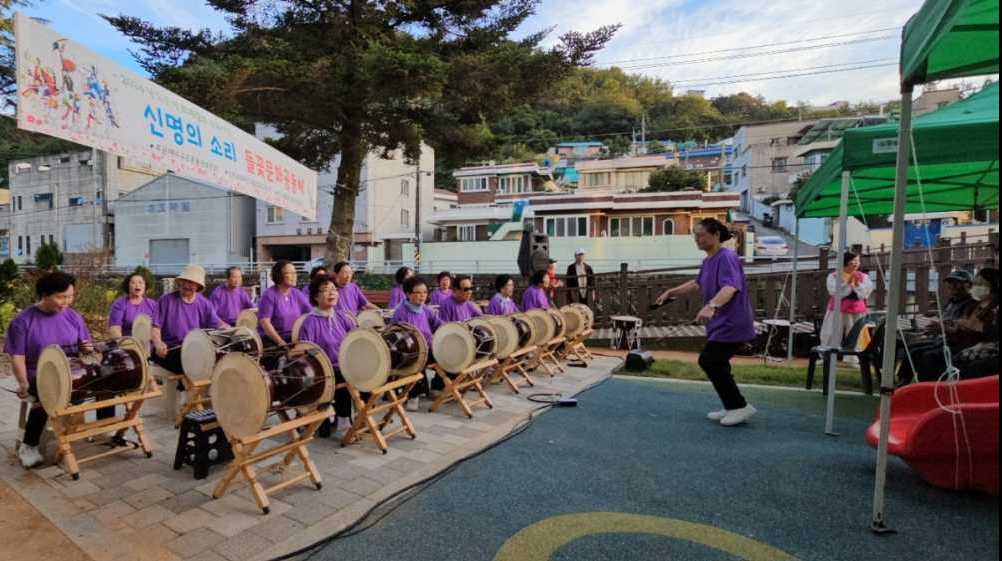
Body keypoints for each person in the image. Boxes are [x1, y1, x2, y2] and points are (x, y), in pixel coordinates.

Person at [655, 218, 757, 426]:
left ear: (716, 235)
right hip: (721, 323)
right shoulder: (709, 261)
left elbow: (730, 287)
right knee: (717, 362)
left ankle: (739, 406)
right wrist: (671, 291)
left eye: (701, 234)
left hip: (733, 322)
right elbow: (697, 283)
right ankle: (732, 405)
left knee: (709, 360)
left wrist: (711, 306)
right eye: (695, 235)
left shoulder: (727, 257)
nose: (697, 239)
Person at [5, 272, 94, 467]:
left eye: (70, 296)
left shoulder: (73, 316)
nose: (66, 302)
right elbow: (17, 356)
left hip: (70, 370)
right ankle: (29, 445)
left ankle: (101, 427)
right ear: (45, 295)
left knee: (102, 379)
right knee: (49, 393)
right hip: (37, 372)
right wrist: (23, 383)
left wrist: (87, 348)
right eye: (61, 297)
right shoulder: (23, 321)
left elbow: (84, 344)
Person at [899, 268, 998, 383]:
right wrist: (947, 326)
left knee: (929, 357)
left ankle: (931, 388)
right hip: (958, 340)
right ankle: (904, 382)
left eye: (980, 284)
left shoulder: (986, 306)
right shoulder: (976, 305)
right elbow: (964, 325)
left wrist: (949, 328)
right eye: (950, 282)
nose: (952, 286)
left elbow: (980, 330)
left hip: (973, 344)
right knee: (915, 351)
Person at [297, 275, 358, 438]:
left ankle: (349, 419)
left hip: (342, 366)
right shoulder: (309, 322)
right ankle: (342, 422)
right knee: (343, 377)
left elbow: (354, 341)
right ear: (316, 297)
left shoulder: (342, 317)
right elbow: (306, 353)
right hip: (322, 371)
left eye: (333, 289)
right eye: (325, 290)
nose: (332, 293)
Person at [151, 265, 226, 375]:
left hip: (194, 349)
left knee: (220, 359)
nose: (186, 285)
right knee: (194, 363)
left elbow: (218, 324)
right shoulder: (166, 300)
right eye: (184, 281)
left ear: (198, 286)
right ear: (180, 282)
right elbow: (155, 327)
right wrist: (158, 343)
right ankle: (185, 388)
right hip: (169, 350)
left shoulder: (204, 304)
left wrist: (233, 330)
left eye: (190, 283)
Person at [390, 276, 444, 411]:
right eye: (418, 293)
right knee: (416, 362)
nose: (422, 296)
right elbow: (395, 335)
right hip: (411, 352)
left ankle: (437, 385)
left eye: (425, 292)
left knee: (447, 355)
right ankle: (413, 395)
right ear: (408, 294)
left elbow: (438, 323)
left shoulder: (425, 309)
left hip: (429, 347)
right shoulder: (401, 312)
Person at [819, 252, 874, 357]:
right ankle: (827, 356)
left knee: (856, 334)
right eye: (853, 261)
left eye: (857, 261)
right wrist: (847, 283)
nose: (856, 263)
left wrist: (858, 285)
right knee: (831, 332)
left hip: (856, 308)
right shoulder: (834, 275)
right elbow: (834, 292)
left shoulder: (863, 277)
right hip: (837, 308)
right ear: (845, 262)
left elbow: (865, 294)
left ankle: (854, 358)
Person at [258, 260, 312, 348]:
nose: (294, 276)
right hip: (272, 340)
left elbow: (310, 313)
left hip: (293, 338)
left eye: (295, 273)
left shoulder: (296, 293)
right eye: (290, 273)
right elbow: (265, 323)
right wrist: (280, 342)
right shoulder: (269, 294)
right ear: (279, 275)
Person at [108, 271, 159, 338]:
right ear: (128, 286)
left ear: (145, 286)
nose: (137, 285)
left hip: (149, 342)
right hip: (127, 342)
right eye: (133, 283)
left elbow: (157, 327)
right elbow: (115, 328)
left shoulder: (153, 304)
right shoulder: (120, 303)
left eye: (140, 282)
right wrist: (122, 341)